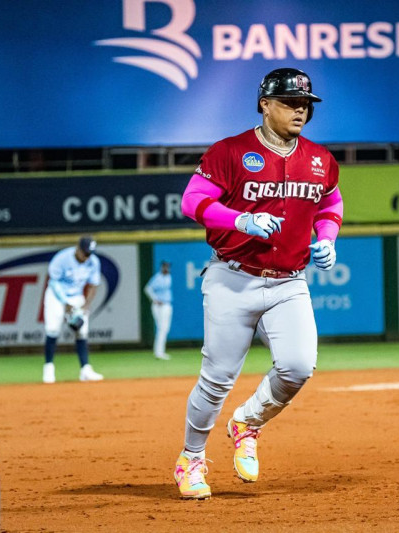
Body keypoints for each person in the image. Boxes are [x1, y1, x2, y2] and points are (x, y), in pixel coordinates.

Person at [174, 68, 343, 499]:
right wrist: (240, 219)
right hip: (233, 278)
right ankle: (191, 459)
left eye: (305, 103)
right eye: (289, 102)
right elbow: (192, 201)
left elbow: (330, 202)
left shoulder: (321, 159)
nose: (299, 110)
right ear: (264, 104)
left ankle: (247, 423)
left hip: (289, 282)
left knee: (299, 365)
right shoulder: (230, 151)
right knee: (217, 379)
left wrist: (326, 239)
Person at [42, 236, 104, 383]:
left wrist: (85, 306)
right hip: (56, 296)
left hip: (76, 296)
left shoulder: (93, 262)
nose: (87, 256)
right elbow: (54, 282)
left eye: (90, 253)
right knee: (52, 330)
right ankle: (48, 369)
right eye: (85, 253)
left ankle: (85, 370)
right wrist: (65, 303)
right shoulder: (62, 259)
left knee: (82, 331)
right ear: (78, 249)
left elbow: (93, 285)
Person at [143, 260, 173, 360]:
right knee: (161, 328)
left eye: (168, 267)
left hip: (167, 304)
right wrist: (155, 299)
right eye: (165, 266)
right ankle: (158, 352)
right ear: (161, 267)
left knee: (165, 329)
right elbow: (147, 288)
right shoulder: (158, 277)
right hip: (160, 306)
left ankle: (160, 351)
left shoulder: (168, 277)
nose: (167, 268)